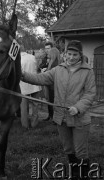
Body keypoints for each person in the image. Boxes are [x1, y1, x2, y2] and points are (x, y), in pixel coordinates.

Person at [21, 40, 96, 179]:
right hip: (61, 117)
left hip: (79, 118)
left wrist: (78, 107)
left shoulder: (88, 72)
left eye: (75, 54)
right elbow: (40, 78)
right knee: (68, 149)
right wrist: (22, 75)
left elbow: (90, 94)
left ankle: (84, 174)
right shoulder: (58, 69)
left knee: (81, 151)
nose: (71, 57)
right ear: (65, 54)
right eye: (69, 54)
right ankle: (75, 174)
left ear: (80, 55)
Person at [20, 46, 42, 129]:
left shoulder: (18, 60)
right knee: (35, 105)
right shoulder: (33, 57)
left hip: (23, 85)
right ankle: (34, 123)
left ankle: (25, 125)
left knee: (24, 107)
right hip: (34, 84)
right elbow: (37, 68)